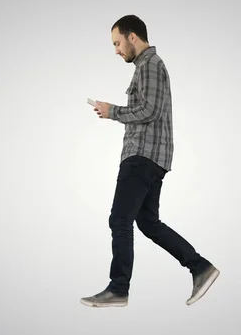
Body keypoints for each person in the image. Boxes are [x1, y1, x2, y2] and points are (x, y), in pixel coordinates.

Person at [80, 15, 219, 308]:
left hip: (142, 157)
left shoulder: (150, 65)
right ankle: (200, 267)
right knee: (148, 222)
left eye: (117, 43)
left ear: (133, 37)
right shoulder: (148, 67)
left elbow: (150, 110)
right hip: (151, 158)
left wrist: (112, 111)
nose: (116, 50)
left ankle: (118, 289)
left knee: (120, 219)